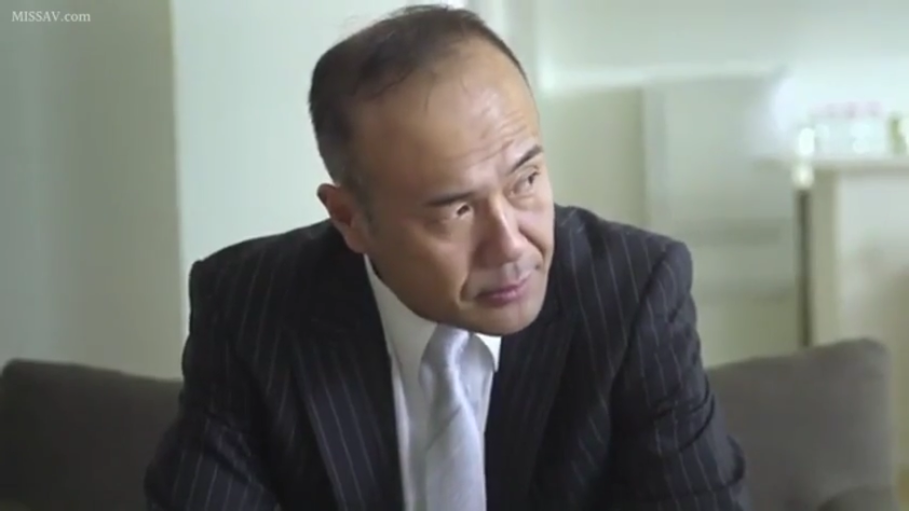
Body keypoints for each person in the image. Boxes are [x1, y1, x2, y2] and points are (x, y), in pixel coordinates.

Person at [144, 4, 750, 510]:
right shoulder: (249, 307)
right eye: (455, 211)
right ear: (350, 218)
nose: (511, 244)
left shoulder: (633, 292)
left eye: (525, 180)